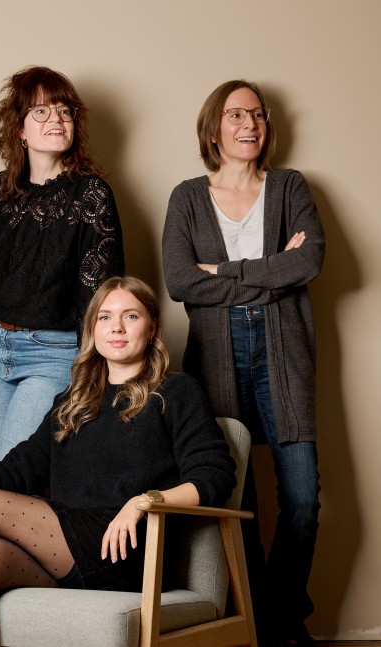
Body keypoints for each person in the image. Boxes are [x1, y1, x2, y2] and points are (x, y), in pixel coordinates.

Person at [0, 276, 236, 647]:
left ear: (152, 327)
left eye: (130, 316)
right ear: (92, 329)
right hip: (67, 552)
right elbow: (18, 469)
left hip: (131, 551)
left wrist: (143, 502)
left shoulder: (177, 392)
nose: (116, 327)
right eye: (104, 317)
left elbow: (216, 475)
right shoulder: (72, 401)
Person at [162, 80, 325, 647]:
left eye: (256, 114)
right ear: (214, 128)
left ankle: (280, 615)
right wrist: (272, 270)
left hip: (285, 350)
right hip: (217, 354)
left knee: (302, 499)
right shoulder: (187, 196)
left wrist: (224, 273)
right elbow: (180, 280)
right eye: (235, 115)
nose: (249, 124)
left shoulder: (290, 186)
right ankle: (259, 623)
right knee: (237, 501)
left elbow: (309, 260)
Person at [0, 65, 125, 464]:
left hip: (51, 354)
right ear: (20, 130)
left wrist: (92, 372)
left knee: (9, 473)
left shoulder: (92, 195)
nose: (56, 119)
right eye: (41, 111)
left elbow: (99, 296)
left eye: (64, 111)